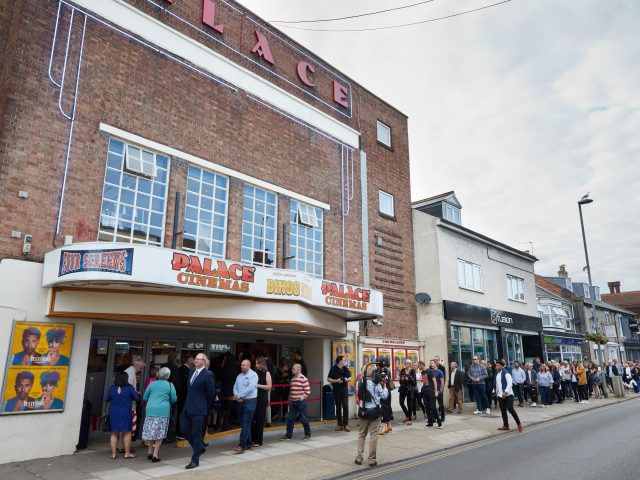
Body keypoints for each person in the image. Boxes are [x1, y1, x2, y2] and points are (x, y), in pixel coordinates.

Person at [181, 353, 215, 469]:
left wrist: (204, 406)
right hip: (187, 407)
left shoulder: (207, 375)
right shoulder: (191, 372)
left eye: (199, 359)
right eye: (195, 359)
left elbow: (211, 394)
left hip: (199, 409)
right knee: (184, 430)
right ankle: (199, 447)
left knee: (197, 434)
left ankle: (195, 460)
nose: (196, 361)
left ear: (204, 362)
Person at [355, 363, 389, 467]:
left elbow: (358, 394)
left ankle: (359, 458)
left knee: (361, 435)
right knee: (373, 436)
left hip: (363, 411)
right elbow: (384, 396)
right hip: (374, 412)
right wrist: (385, 385)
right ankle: (371, 460)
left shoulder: (359, 383)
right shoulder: (376, 384)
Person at [142, 367, 177, 462]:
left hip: (150, 410)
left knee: (150, 431)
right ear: (168, 376)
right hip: (163, 411)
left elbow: (145, 397)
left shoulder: (152, 384)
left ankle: (150, 451)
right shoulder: (170, 385)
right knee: (160, 433)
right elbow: (174, 399)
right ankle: (155, 455)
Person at [106, 372, 139, 459]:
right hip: (126, 413)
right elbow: (136, 398)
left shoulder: (112, 388)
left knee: (114, 433)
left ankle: (113, 454)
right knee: (127, 433)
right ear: (126, 379)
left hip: (114, 413)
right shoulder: (130, 388)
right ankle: (127, 454)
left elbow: (106, 399)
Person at [279, 363, 311, 441]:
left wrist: (301, 398)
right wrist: (291, 399)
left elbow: (307, 391)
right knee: (290, 419)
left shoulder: (304, 379)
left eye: (293, 368)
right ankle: (288, 435)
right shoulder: (293, 378)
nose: (292, 370)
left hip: (300, 402)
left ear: (298, 369)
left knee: (304, 419)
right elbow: (292, 390)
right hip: (293, 402)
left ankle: (307, 434)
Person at [232, 358, 258, 453]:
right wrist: (236, 395)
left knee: (245, 424)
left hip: (249, 402)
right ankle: (249, 442)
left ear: (248, 365)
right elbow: (235, 386)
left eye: (243, 365)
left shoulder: (253, 375)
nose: (241, 366)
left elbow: (250, 388)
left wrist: (239, 395)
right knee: (244, 424)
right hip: (240, 402)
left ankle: (241, 446)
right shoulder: (239, 376)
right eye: (241, 365)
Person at [494, 360, 523, 432]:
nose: (496, 367)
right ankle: (506, 426)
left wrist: (505, 392)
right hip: (500, 395)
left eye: (497, 365)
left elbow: (510, 384)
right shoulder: (497, 375)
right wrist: (495, 391)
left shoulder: (506, 373)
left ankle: (519, 424)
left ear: (501, 366)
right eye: (495, 365)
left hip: (508, 394)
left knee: (510, 409)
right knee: (503, 410)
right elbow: (497, 385)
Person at [251, 357, 272, 447]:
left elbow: (269, 386)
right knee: (253, 419)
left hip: (262, 398)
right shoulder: (254, 373)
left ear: (261, 364)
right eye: (255, 363)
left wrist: (258, 385)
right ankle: (252, 439)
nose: (256, 365)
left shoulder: (266, 373)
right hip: (254, 397)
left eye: (257, 363)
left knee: (260, 420)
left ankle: (259, 441)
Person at [328, 355, 352, 431]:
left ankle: (346, 425)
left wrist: (347, 379)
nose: (345, 361)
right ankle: (339, 425)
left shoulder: (345, 368)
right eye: (344, 360)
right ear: (340, 361)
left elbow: (350, 377)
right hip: (336, 390)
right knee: (338, 407)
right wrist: (336, 381)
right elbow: (328, 379)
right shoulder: (333, 369)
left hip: (344, 390)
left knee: (345, 406)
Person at [420, 360, 442, 429]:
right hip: (425, 392)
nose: (418, 367)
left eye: (419, 365)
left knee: (433, 407)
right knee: (427, 407)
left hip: (431, 392)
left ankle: (439, 422)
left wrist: (436, 391)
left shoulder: (430, 371)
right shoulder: (422, 372)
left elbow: (434, 381)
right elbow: (425, 382)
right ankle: (430, 422)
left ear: (422, 365)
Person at [398, 359, 416, 425]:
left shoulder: (412, 371)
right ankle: (407, 415)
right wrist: (401, 379)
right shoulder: (402, 370)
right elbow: (400, 382)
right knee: (401, 403)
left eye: (408, 363)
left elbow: (414, 382)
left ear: (410, 364)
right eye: (406, 363)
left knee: (409, 404)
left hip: (409, 389)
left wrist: (409, 378)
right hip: (403, 389)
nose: (407, 364)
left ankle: (410, 419)